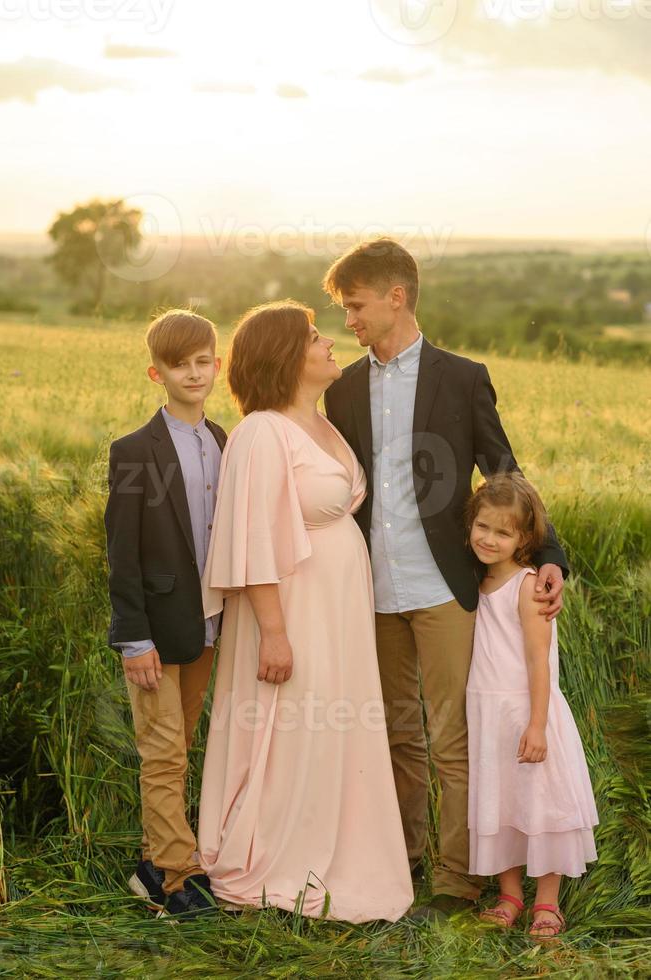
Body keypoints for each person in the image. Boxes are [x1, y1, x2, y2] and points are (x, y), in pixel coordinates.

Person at [322, 238, 570, 919]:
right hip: (369, 591)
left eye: (356, 306)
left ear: (395, 296)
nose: (351, 320)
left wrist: (552, 556)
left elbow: (505, 473)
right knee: (396, 735)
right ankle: (399, 861)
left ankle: (457, 879)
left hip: (442, 590)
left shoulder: (462, 378)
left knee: (451, 739)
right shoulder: (341, 388)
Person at [198, 300, 413, 923]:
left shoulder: (323, 424)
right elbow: (253, 539)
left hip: (340, 607)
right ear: (287, 355)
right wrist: (273, 633)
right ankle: (278, 852)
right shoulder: (263, 431)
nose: (328, 344)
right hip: (290, 608)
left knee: (333, 722)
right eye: (315, 337)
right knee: (293, 721)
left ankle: (343, 846)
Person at [104, 309, 227, 919]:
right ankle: (179, 878)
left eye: (203, 361)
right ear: (158, 373)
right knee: (163, 752)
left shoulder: (226, 441)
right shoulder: (133, 451)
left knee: (184, 747)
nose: (194, 373)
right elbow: (121, 556)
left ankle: (152, 865)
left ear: (218, 364)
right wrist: (133, 639)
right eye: (181, 364)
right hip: (155, 631)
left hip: (207, 626)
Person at [464, 472, 598, 938]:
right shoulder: (475, 583)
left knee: (540, 802)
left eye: (503, 532)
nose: (489, 539)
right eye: (483, 527)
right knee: (500, 800)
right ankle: (509, 893)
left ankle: (546, 900)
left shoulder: (527, 586)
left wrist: (538, 725)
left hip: (525, 711)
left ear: (525, 539)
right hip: (488, 714)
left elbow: (540, 664)